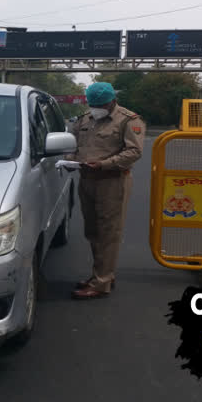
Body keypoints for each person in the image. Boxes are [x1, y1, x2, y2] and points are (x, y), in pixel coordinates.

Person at [67, 82, 145, 300]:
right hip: (87, 180)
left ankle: (101, 283)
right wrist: (69, 161)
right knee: (92, 231)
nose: (96, 107)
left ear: (112, 101)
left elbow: (134, 152)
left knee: (108, 234)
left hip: (112, 181)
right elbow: (74, 147)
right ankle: (101, 275)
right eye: (92, 104)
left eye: (100, 104)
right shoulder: (85, 119)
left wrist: (104, 164)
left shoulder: (129, 120)